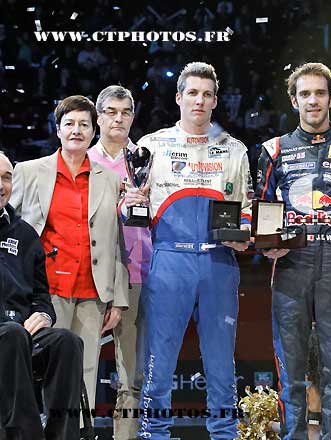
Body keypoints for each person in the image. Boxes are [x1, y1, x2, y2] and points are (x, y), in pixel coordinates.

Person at [122, 62, 252, 440]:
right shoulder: (152, 146)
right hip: (169, 260)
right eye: (192, 93)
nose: (199, 100)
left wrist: (244, 233)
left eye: (207, 94)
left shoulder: (234, 149)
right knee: (159, 358)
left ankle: (224, 433)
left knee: (221, 361)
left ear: (215, 101)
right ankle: (154, 433)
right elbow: (131, 208)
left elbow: (246, 210)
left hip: (218, 261)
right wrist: (129, 204)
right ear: (179, 97)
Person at [256, 62, 331, 440]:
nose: (313, 100)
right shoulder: (274, 151)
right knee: (291, 369)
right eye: (305, 94)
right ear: (294, 100)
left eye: (320, 93)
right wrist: (265, 244)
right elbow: (262, 209)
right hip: (290, 265)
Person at [10, 95, 129, 413]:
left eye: (84, 124)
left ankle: (77, 432)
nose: (76, 130)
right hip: (46, 293)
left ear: (93, 131)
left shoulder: (110, 179)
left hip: (93, 292)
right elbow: (9, 227)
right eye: (70, 124)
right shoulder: (29, 171)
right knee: (41, 369)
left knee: (85, 372)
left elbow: (115, 240)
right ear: (58, 129)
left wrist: (118, 298)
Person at [0, 150, 84, 440]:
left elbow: (41, 295)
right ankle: (26, 434)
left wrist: (44, 314)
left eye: (6, 178)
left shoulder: (24, 234)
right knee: (12, 335)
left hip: (21, 333)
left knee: (67, 342)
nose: (1, 185)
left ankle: (63, 435)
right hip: (8, 334)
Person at [88, 85, 152, 440]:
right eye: (111, 112)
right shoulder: (83, 160)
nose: (118, 118)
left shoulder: (148, 159)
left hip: (140, 274)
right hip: (92, 277)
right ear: (98, 118)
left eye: (125, 112)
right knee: (81, 368)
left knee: (132, 375)